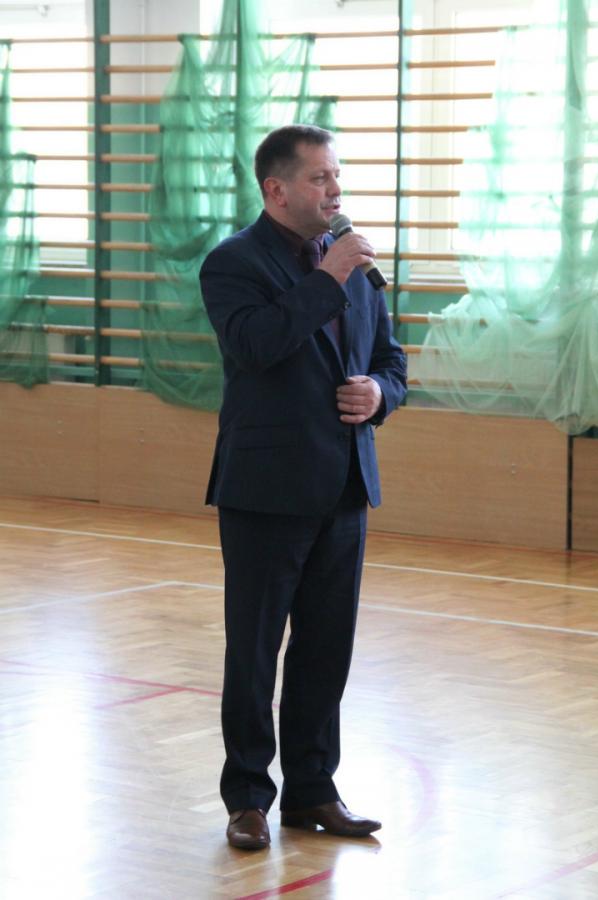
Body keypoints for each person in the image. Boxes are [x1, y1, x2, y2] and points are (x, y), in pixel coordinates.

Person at [199, 124, 407, 851]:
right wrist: (329, 278)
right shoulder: (234, 263)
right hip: (266, 488)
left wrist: (378, 394)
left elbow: (391, 361)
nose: (335, 191)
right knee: (254, 650)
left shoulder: (351, 266)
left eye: (337, 176)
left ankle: (313, 791)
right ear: (277, 189)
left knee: (326, 649)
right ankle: (248, 799)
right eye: (320, 178)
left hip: (345, 485)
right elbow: (256, 345)